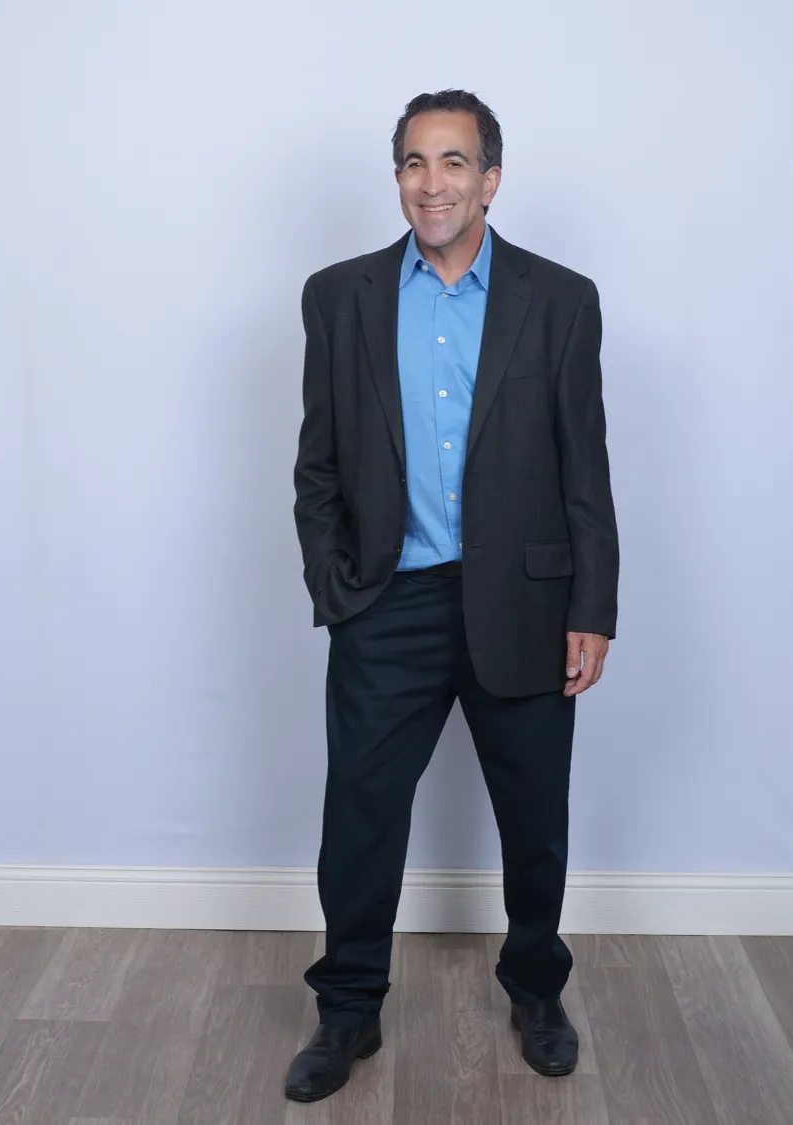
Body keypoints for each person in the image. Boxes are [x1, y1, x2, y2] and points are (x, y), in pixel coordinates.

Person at [287, 89, 619, 1103]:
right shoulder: (339, 296)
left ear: (492, 179)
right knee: (361, 815)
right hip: (389, 601)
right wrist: (339, 586)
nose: (432, 184)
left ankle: (535, 991)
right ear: (397, 179)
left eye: (454, 163)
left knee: (534, 817)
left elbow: (584, 470)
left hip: (523, 602)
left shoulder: (559, 299)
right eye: (414, 164)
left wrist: (592, 609)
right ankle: (347, 1011)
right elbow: (319, 469)